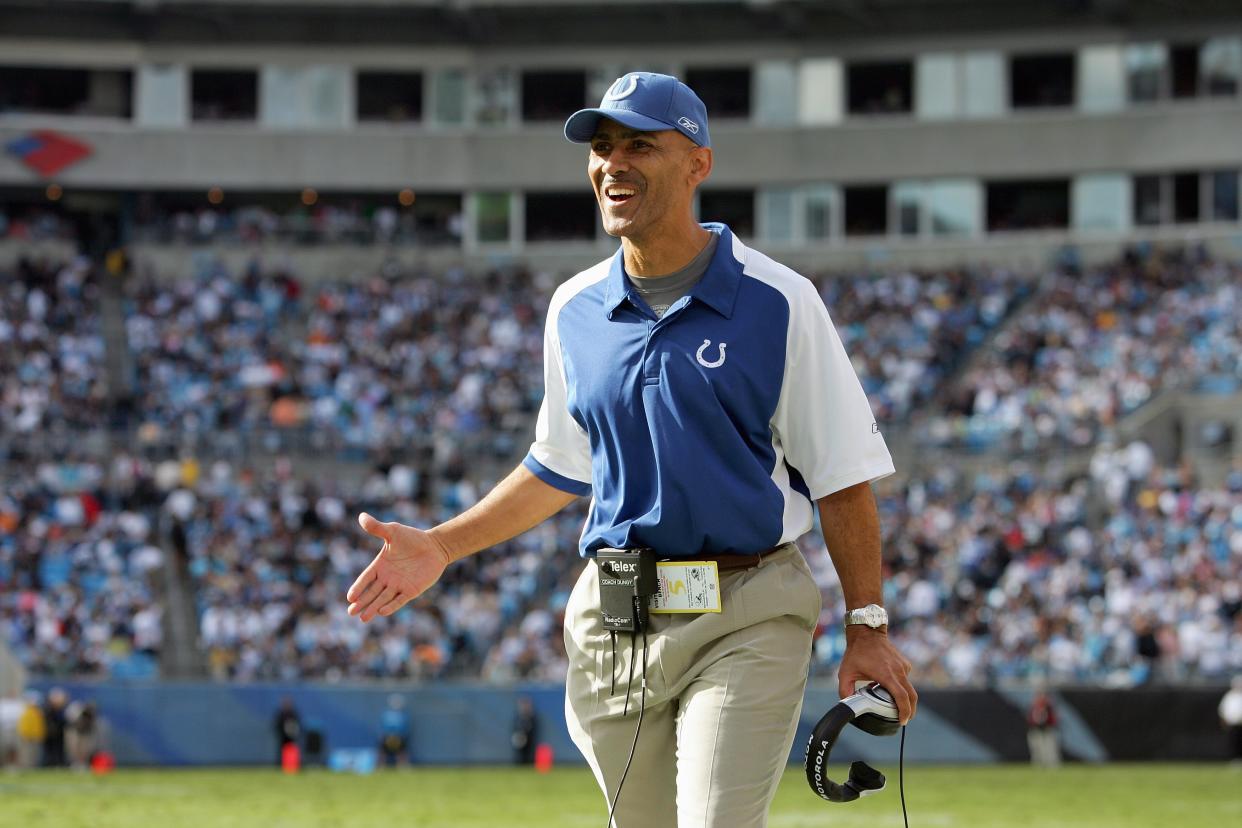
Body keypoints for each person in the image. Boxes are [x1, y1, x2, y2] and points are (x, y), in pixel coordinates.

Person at [346, 71, 916, 828]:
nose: (613, 163)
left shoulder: (779, 300)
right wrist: (443, 546)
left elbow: (842, 477)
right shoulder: (573, 308)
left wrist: (868, 627)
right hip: (617, 615)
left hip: (748, 608)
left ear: (698, 164)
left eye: (640, 146)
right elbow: (558, 466)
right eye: (603, 147)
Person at [1026, 691, 1061, 768]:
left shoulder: (1049, 707)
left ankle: (1052, 766)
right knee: (1037, 750)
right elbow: (1030, 720)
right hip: (1036, 730)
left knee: (1050, 750)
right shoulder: (1034, 707)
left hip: (1048, 730)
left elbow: (1054, 720)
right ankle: (1038, 766)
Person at [378, 694, 411, 767]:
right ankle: (380, 766)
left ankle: (403, 766)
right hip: (387, 736)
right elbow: (383, 726)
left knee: (402, 751)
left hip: (399, 736)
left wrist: (401, 735)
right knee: (383, 752)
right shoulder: (386, 714)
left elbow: (405, 727)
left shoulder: (403, 715)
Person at [273, 696, 301, 767]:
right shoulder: (281, 714)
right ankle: (281, 765)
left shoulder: (293, 713)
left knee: (293, 750)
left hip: (292, 736)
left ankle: (293, 764)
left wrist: (293, 732)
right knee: (282, 751)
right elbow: (277, 724)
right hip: (283, 736)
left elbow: (297, 724)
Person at [1220, 675, 1242, 764]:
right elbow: (1223, 709)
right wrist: (1224, 721)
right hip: (1232, 724)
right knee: (1233, 742)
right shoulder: (1229, 696)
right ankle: (1235, 759)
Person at [511, 696, 539, 765]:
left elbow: (534, 730)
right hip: (520, 740)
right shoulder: (518, 718)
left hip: (530, 741)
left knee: (529, 754)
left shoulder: (532, 717)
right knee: (520, 755)